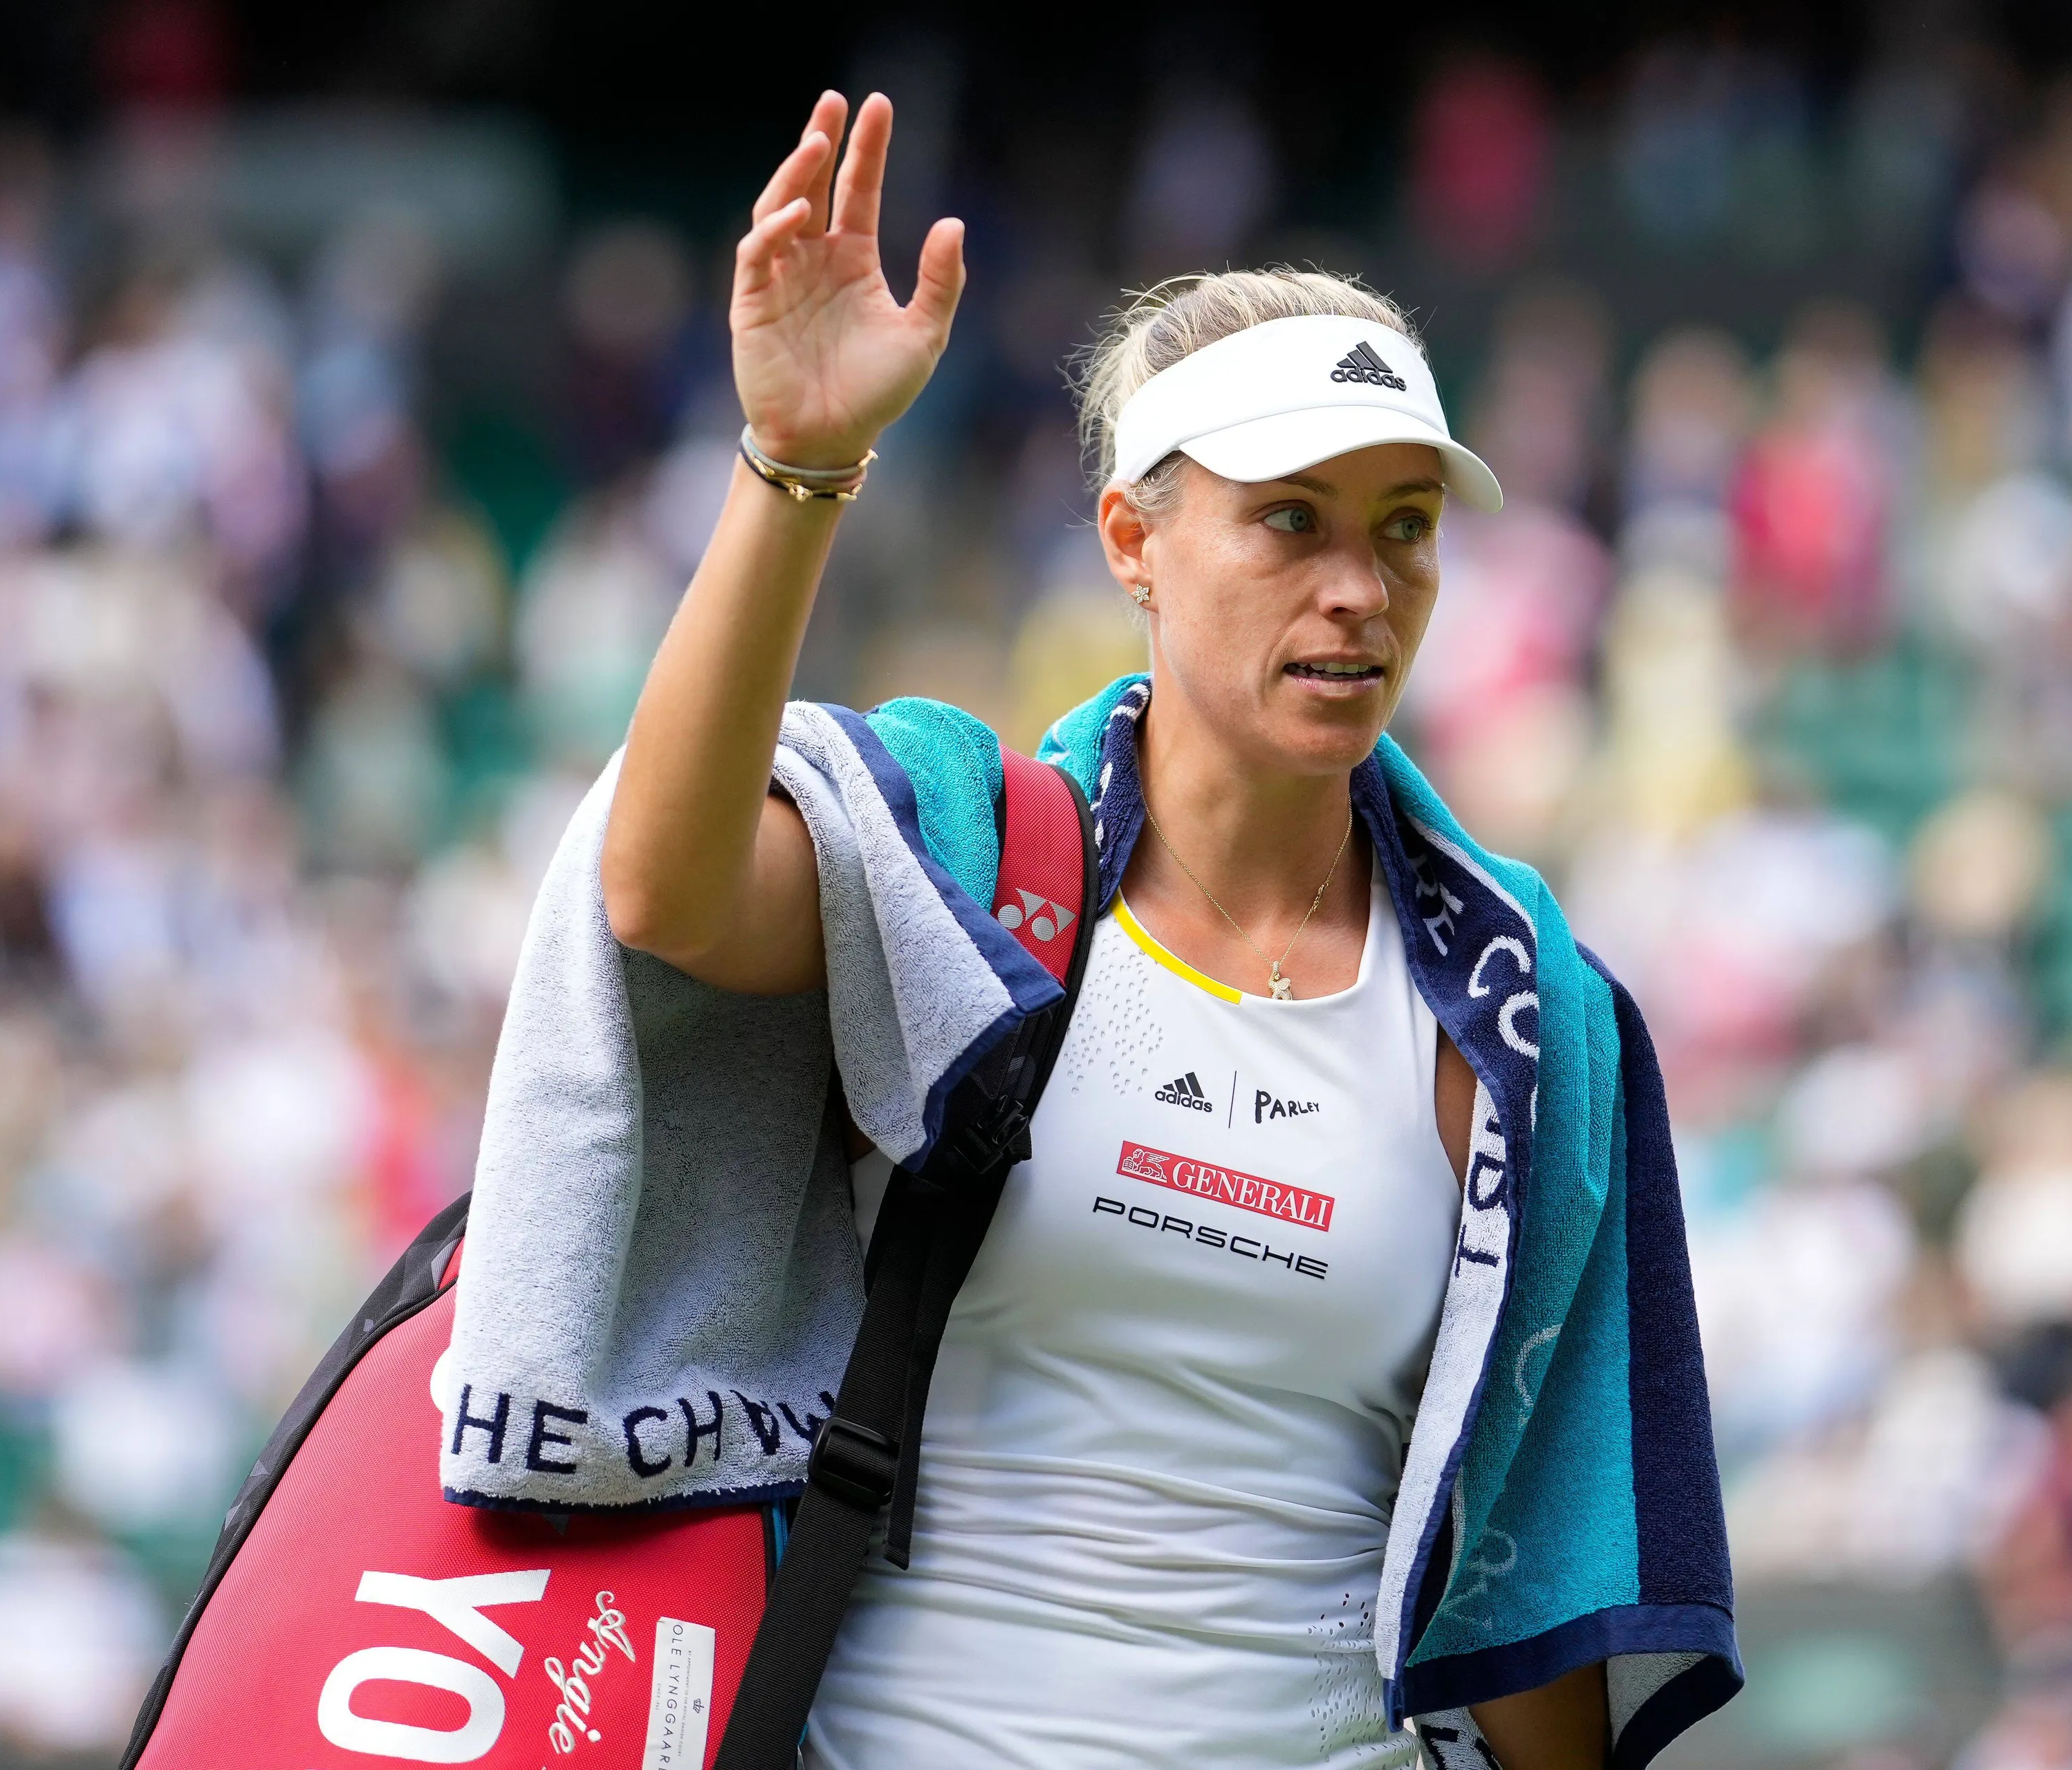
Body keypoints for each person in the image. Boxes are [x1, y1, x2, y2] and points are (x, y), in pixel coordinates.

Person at [584, 91, 1736, 1768]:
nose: (1359, 587)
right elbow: (662, 891)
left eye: (1402, 529)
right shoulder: (969, 867)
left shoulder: (1515, 1004)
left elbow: (1521, 1603)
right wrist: (799, 465)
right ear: (1133, 537)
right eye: (1291, 521)